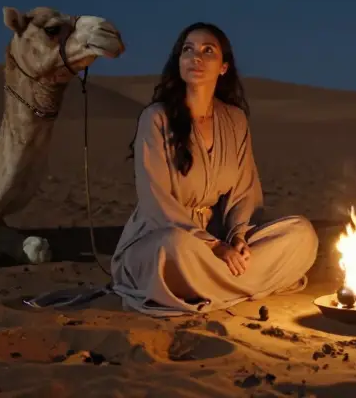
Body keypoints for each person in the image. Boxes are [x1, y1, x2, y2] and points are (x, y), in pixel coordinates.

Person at [110, 22, 319, 316]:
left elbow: (245, 192)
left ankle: (208, 287)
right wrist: (213, 247)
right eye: (188, 50)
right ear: (179, 63)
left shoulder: (234, 120)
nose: (196, 57)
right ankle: (242, 284)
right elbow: (155, 200)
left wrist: (238, 238)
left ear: (223, 67)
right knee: (175, 247)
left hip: (221, 243)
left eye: (208, 51)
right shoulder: (156, 118)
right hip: (166, 237)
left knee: (302, 234)